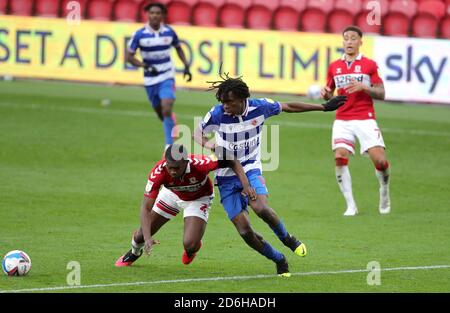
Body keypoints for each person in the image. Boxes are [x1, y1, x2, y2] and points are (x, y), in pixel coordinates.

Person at [193, 73, 347, 276]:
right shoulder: (217, 114)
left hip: (250, 166)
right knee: (245, 232)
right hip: (226, 175)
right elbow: (197, 133)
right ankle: (278, 258)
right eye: (222, 102)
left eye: (228, 102)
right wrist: (209, 144)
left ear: (241, 99)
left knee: (261, 207)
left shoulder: (260, 107)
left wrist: (324, 107)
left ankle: (287, 238)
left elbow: (289, 106)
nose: (225, 106)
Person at [115, 144, 256, 267]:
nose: (173, 171)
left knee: (190, 244)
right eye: (170, 168)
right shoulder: (158, 172)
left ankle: (192, 248)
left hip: (199, 198)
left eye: (177, 168)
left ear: (185, 162)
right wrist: (147, 238)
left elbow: (232, 160)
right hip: (172, 195)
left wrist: (246, 185)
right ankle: (134, 253)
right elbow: (146, 208)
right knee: (141, 236)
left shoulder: (201, 163)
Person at [321, 25, 390, 216]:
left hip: (365, 118)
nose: (349, 42)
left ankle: (384, 190)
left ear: (360, 42)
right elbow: (329, 95)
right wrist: (326, 93)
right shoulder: (334, 66)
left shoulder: (369, 65)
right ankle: (351, 205)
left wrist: (364, 87)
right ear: (342, 42)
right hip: (342, 118)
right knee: (340, 156)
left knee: (381, 161)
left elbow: (382, 93)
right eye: (346, 38)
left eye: (353, 38)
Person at [126, 2, 192, 148]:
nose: (154, 15)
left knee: (166, 107)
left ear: (162, 15)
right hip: (150, 79)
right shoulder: (139, 35)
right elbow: (129, 57)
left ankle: (169, 145)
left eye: (157, 13)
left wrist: (186, 65)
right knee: (160, 112)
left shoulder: (169, 32)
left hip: (167, 76)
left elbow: (179, 49)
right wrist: (145, 66)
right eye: (152, 13)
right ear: (147, 14)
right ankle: (170, 121)